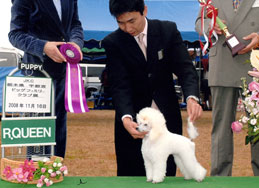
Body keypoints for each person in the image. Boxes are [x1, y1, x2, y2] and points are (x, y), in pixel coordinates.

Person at [103, 0, 203, 176]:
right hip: (132, 123)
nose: (127, 28)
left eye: (132, 21)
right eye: (120, 23)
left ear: (144, 11)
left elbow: (185, 69)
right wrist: (126, 117)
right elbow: (120, 85)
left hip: (167, 121)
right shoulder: (113, 42)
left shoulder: (167, 31)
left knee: (165, 174)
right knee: (130, 175)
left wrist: (192, 97)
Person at [9, 0, 84, 158]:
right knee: (37, 128)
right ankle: (36, 171)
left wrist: (76, 43)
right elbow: (15, 34)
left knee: (59, 126)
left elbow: (75, 24)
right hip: (37, 74)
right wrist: (43, 47)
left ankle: (55, 168)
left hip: (63, 72)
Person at [195, 0, 259, 176]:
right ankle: (220, 177)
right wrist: (210, 26)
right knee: (221, 128)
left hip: (254, 65)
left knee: (258, 128)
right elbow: (199, 22)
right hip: (222, 63)